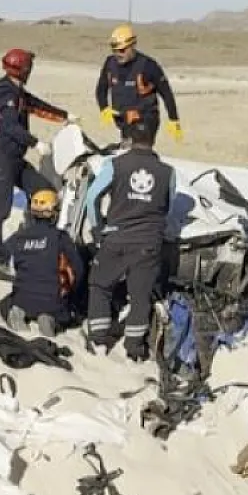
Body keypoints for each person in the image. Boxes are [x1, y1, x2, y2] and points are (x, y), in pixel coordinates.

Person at [83, 115, 177, 361]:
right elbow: (169, 206)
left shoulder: (115, 165)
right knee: (140, 296)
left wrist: (97, 228)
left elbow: (91, 197)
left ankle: (98, 340)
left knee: (100, 285)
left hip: (116, 239)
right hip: (149, 243)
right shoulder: (168, 172)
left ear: (129, 138)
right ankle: (134, 349)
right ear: (154, 139)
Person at [0, 47, 71, 273]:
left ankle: (35, 235)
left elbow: (38, 106)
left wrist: (65, 116)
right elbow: (9, 126)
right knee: (0, 209)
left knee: (44, 189)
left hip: (14, 157)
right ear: (24, 69)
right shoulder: (5, 93)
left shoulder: (18, 91)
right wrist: (35, 143)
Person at [0, 189, 84, 337]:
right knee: (69, 314)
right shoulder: (60, 237)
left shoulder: (20, 236)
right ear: (54, 213)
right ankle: (51, 319)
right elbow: (78, 269)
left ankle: (18, 311)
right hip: (52, 301)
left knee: (5, 302)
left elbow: (1, 254)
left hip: (22, 297)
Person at [95, 24, 183, 146]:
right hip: (124, 120)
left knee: (139, 152)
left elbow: (166, 93)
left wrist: (174, 119)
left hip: (145, 120)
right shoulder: (110, 63)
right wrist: (104, 108)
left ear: (132, 45)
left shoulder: (148, 66)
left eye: (122, 50)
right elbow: (101, 88)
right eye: (114, 51)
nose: (118, 54)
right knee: (127, 152)